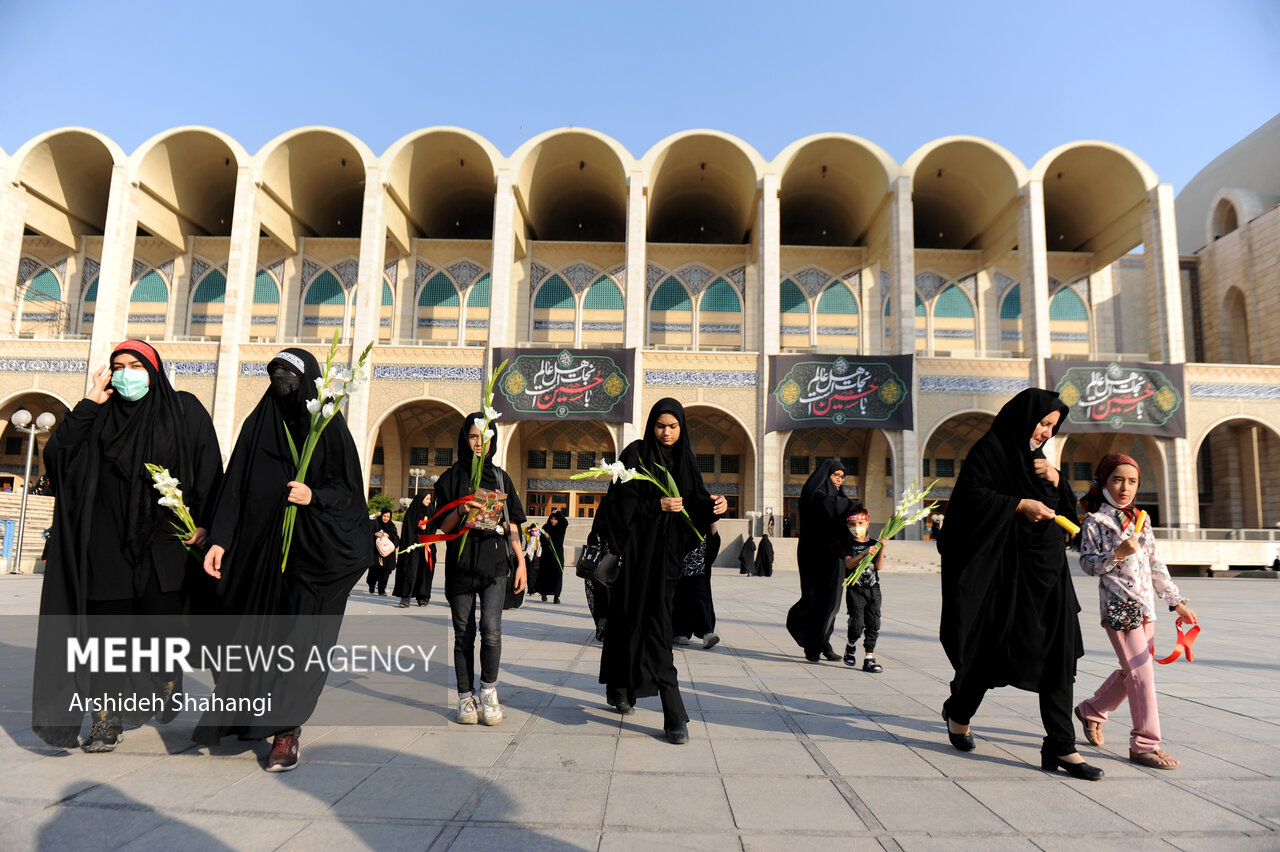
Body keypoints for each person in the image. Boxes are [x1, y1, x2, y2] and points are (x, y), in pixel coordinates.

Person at [33, 340, 222, 752]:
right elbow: (59, 459)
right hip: (106, 547)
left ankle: (166, 678)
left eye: (136, 365)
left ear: (154, 370)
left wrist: (206, 524)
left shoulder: (184, 411)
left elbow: (209, 470)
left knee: (160, 630)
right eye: (118, 366)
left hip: (165, 547)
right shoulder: (99, 417)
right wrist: (87, 403)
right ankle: (105, 721)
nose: (125, 373)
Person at [193, 348, 375, 772]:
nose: (280, 379)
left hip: (309, 559)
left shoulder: (325, 424)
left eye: (289, 373)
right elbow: (234, 485)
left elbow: (348, 493)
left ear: (309, 380)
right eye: (274, 372)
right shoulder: (259, 424)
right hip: (259, 555)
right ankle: (246, 714)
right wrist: (220, 539)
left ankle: (286, 731)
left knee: (298, 643)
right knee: (252, 639)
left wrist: (314, 496)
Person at [938, 388, 1103, 781]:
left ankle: (1061, 746)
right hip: (1004, 574)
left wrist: (1059, 479)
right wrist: (1016, 504)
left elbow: (1067, 515)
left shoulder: (1042, 461)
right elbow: (967, 502)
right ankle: (959, 712)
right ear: (1022, 418)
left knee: (1058, 656)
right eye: (1042, 423)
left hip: (1048, 575)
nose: (1046, 432)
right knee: (988, 650)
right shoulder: (989, 451)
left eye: (1053, 426)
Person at [596, 398, 727, 744]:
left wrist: (715, 506)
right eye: (660, 426)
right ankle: (665, 708)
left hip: (668, 566)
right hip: (636, 560)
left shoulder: (685, 460)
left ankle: (637, 694)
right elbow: (617, 505)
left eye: (673, 427)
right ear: (651, 425)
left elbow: (695, 506)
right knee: (629, 623)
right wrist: (657, 505)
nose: (666, 433)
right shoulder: (636, 455)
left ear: (681, 428)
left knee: (655, 628)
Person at [1076, 453, 1197, 770]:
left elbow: (1156, 565)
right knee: (1142, 674)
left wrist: (1175, 601)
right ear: (1104, 482)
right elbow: (1089, 565)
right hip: (1120, 608)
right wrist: (1117, 553)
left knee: (1132, 671)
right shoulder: (1094, 522)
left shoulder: (1141, 520)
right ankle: (1145, 744)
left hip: (1146, 609)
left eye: (1131, 481)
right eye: (1117, 479)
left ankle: (1092, 710)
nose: (1124, 487)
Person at [432, 414, 528, 727]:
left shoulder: (501, 478)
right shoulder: (451, 478)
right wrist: (460, 509)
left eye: (484, 438)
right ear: (465, 438)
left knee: (491, 629)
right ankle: (465, 697)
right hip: (461, 567)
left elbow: (512, 525)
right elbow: (439, 529)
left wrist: (521, 561)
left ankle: (488, 692)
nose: (478, 444)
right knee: (464, 633)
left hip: (495, 565)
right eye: (474, 436)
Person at [786, 459, 857, 662]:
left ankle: (823, 642)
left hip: (836, 555)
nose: (839, 480)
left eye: (842, 477)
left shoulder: (839, 496)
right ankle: (812, 645)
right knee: (815, 599)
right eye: (836, 475)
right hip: (815, 556)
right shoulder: (814, 494)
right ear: (826, 475)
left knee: (832, 602)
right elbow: (830, 505)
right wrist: (854, 505)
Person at [842, 506, 885, 672]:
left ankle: (869, 657)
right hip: (855, 589)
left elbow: (879, 567)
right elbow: (848, 564)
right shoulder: (847, 544)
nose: (857, 527)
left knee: (873, 623)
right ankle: (851, 645)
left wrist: (882, 548)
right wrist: (864, 553)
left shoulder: (874, 543)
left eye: (860, 523)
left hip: (873, 589)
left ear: (867, 524)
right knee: (857, 623)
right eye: (853, 524)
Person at [673, 524, 720, 648]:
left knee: (702, 598)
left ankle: (707, 632)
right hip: (680, 569)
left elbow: (714, 539)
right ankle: (680, 632)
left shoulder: (703, 523)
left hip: (700, 568)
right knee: (681, 599)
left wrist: (712, 525)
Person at [394, 491, 436, 607]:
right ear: (421, 499)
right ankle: (405, 597)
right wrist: (418, 527)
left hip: (427, 546)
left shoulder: (431, 511)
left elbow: (434, 526)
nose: (429, 501)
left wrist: (427, 528)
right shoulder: (412, 512)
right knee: (410, 571)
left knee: (425, 572)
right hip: (413, 548)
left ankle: (423, 597)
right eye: (427, 499)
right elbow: (408, 531)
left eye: (429, 499)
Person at [582, 527, 611, 642]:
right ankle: (602, 630)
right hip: (597, 573)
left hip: (612, 573)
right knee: (599, 600)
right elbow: (592, 542)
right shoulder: (597, 532)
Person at [535, 509, 567, 603]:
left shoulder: (560, 528)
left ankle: (556, 596)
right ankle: (543, 593)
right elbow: (542, 542)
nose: (553, 521)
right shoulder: (546, 527)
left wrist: (557, 513)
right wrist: (545, 536)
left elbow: (565, 522)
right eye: (551, 519)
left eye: (555, 519)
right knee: (545, 574)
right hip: (546, 557)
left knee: (557, 575)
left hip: (557, 556)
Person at [367, 509, 399, 595]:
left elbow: (396, 539)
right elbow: (367, 532)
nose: (386, 518)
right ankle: (372, 585)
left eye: (388, 517)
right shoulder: (375, 523)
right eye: (384, 516)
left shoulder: (391, 526)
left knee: (385, 571)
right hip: (376, 553)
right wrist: (375, 534)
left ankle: (382, 589)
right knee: (374, 569)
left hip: (387, 554)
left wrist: (389, 536)